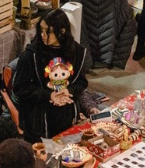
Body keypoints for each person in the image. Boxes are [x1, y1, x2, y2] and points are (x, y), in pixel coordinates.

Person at [13, 8, 92, 142]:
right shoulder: (31, 55)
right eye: (41, 30)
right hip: (38, 120)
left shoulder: (77, 52)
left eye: (47, 31)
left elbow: (81, 83)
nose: (42, 35)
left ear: (62, 31)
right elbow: (20, 88)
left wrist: (68, 91)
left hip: (66, 115)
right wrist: (49, 95)